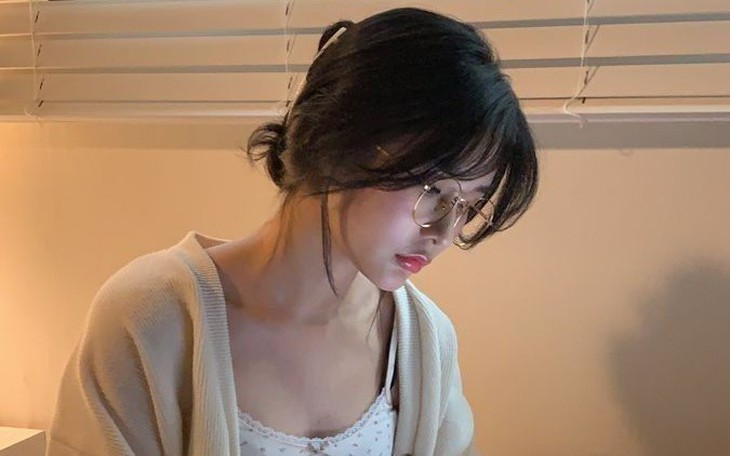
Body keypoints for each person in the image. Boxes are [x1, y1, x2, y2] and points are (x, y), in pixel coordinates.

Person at [46, 7, 538, 456]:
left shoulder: (425, 342)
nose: (445, 232)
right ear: (341, 139)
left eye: (469, 206)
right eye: (434, 191)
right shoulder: (152, 318)